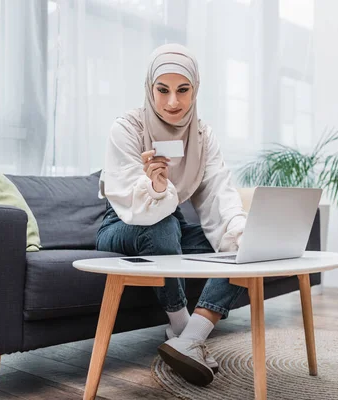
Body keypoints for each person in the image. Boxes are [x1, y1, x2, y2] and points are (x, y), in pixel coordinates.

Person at [96, 43, 247, 387]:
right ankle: (180, 328)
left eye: (183, 90)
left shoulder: (203, 136)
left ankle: (191, 338)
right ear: (149, 89)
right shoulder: (127, 128)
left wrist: (239, 227)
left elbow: (220, 194)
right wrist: (155, 189)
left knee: (241, 251)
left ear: (196, 90)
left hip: (171, 226)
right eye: (162, 90)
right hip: (123, 222)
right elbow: (130, 201)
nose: (172, 103)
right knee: (162, 224)